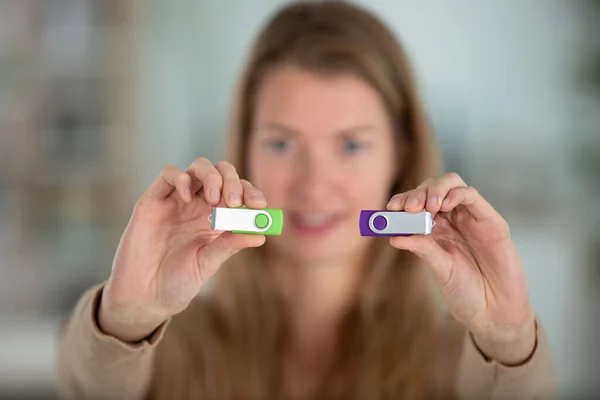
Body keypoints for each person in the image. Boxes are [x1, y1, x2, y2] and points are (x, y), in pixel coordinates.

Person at [55, 2, 556, 399]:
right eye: (282, 143)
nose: (314, 184)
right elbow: (86, 387)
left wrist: (508, 339)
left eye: (352, 145)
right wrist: (126, 317)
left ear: (400, 158)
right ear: (245, 148)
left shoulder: (461, 361)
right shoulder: (175, 349)